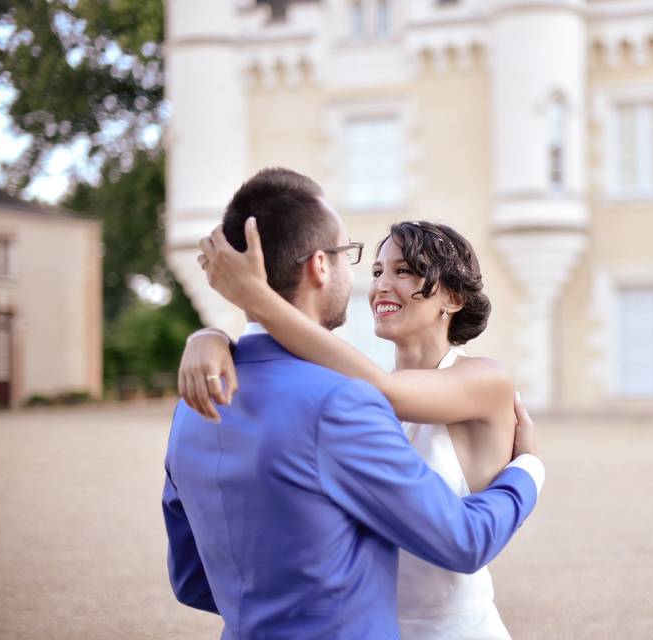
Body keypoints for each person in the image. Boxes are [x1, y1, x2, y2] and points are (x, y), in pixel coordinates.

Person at [164, 167, 543, 640]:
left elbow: (381, 393)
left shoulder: (481, 378)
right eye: (376, 269)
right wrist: (211, 335)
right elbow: (369, 386)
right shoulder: (349, 386)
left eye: (404, 271)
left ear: (451, 296)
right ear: (322, 266)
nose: (380, 284)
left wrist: (528, 467)